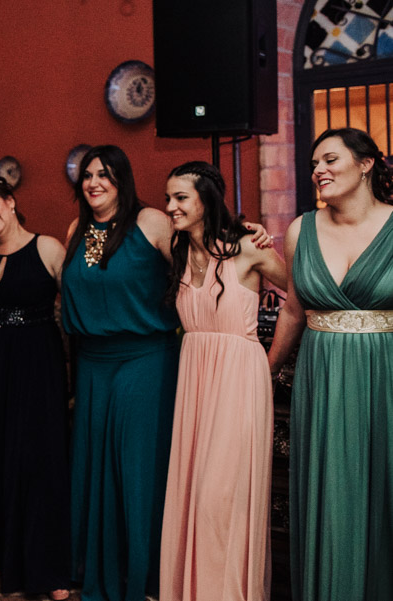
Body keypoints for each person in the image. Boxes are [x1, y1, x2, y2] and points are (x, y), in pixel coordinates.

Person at [61, 145, 272, 601]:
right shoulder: (76, 229)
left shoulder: (154, 221)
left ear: (124, 180)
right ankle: (104, 575)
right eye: (88, 175)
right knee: (96, 471)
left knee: (138, 471)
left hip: (144, 360)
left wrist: (244, 230)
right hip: (93, 365)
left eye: (106, 174)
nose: (95, 182)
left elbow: (204, 246)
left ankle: (147, 579)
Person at [266, 127, 393, 601]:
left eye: (330, 160)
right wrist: (266, 370)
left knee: (383, 489)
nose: (318, 169)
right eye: (314, 162)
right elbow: (295, 310)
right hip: (321, 380)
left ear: (365, 165)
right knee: (331, 496)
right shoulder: (302, 229)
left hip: (385, 376)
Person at [159, 161, 286, 601]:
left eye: (180, 198)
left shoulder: (249, 248)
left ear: (205, 201)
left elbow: (303, 297)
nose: (170, 207)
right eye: (169, 198)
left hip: (238, 379)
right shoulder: (178, 250)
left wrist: (268, 362)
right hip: (194, 378)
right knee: (194, 493)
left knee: (220, 498)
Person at [0, 172, 71, 599]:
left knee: (39, 461)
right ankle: (0, 555)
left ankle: (49, 571)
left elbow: (73, 310)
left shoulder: (47, 247)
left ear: (10, 201)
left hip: (37, 364)